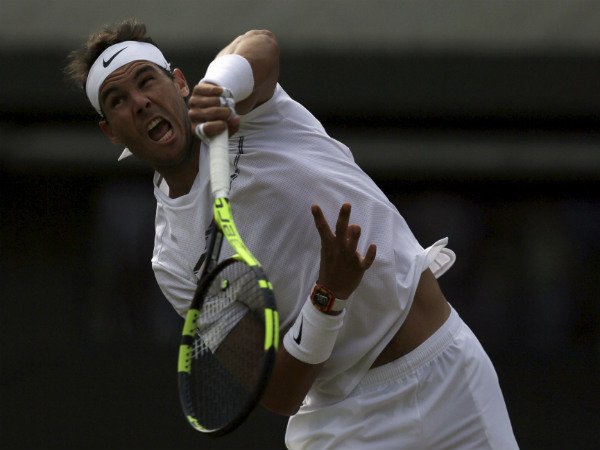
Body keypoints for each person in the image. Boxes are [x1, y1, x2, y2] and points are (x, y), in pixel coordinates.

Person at [67, 19, 519, 449]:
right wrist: (328, 297)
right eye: (118, 99)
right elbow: (279, 392)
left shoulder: (247, 108)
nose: (140, 101)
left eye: (146, 80)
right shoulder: (173, 259)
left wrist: (221, 87)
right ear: (111, 131)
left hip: (450, 373)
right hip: (345, 426)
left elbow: (259, 44)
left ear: (179, 83)